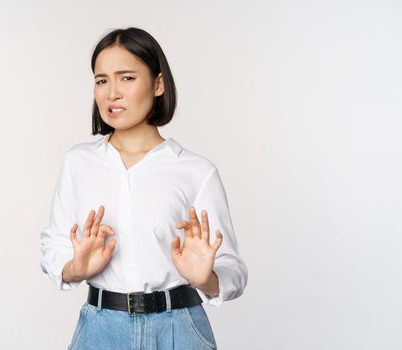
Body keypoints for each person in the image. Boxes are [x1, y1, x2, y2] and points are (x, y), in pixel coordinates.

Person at [38, 27, 248, 349]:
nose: (112, 93)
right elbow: (53, 246)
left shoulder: (196, 171)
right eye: (102, 80)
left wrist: (206, 278)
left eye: (127, 78)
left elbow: (232, 269)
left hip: (179, 327)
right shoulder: (78, 162)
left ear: (158, 83)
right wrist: (74, 268)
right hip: (101, 329)